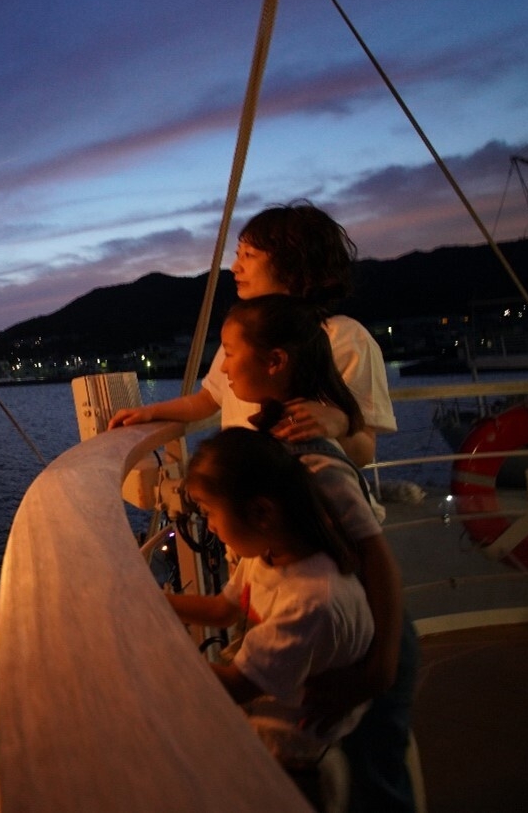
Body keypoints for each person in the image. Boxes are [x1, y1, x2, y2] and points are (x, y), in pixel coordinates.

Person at [207, 292, 419, 813]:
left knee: (375, 781)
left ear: (275, 361)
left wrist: (382, 667)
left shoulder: (309, 459)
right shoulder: (280, 440)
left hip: (371, 641)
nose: (225, 368)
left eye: (230, 353)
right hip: (352, 635)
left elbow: (376, 558)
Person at [166, 427, 373, 811]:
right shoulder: (266, 555)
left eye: (210, 512)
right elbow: (222, 610)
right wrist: (158, 603)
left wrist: (149, 651)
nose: (209, 526)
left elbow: (236, 686)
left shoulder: (311, 601)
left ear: (261, 512)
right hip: (270, 746)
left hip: (296, 766)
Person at [108, 202, 395, 468]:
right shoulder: (244, 333)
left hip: (316, 499)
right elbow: (208, 400)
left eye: (249, 255)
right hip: (245, 495)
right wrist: (151, 413)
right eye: (238, 255)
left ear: (292, 263)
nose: (235, 267)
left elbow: (364, 452)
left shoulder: (346, 338)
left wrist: (339, 425)